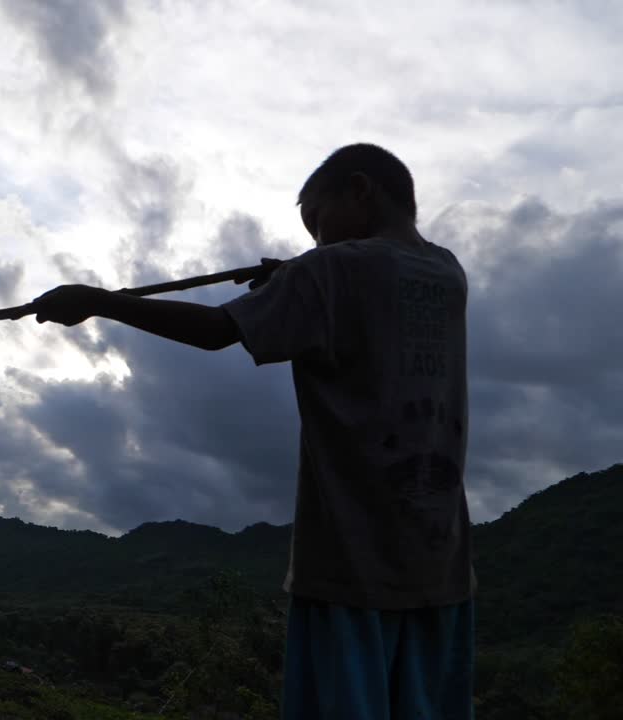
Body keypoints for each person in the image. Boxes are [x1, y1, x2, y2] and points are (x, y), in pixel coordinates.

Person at [30, 143, 474, 719]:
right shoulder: (448, 271)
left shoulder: (328, 271)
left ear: (359, 190)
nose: (316, 242)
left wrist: (98, 301)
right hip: (440, 566)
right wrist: (292, 277)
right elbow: (371, 286)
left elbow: (217, 329)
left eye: (317, 222)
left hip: (350, 565)